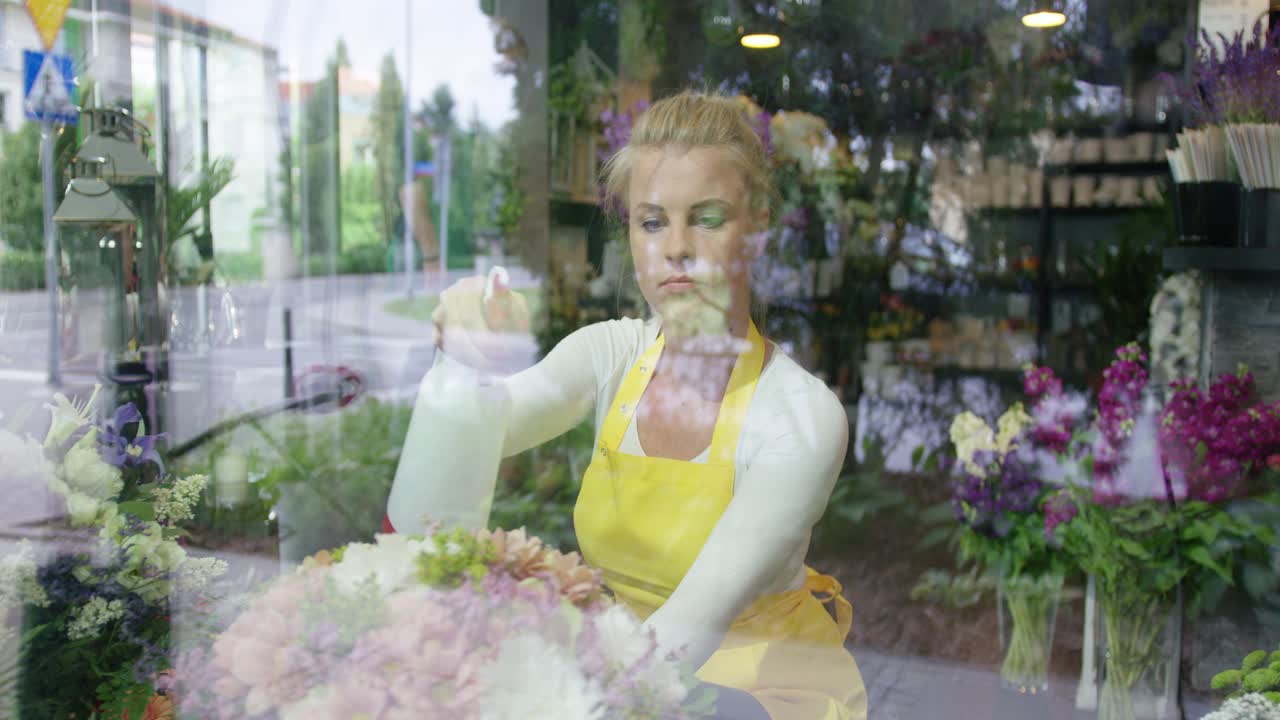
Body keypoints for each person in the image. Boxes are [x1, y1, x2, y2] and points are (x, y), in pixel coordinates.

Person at [388, 91, 867, 720]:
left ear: (757, 227)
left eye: (708, 217)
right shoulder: (610, 354)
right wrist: (470, 353)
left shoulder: (799, 417)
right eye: (652, 221)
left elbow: (687, 630)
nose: (676, 247)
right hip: (623, 675)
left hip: (755, 697)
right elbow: (478, 431)